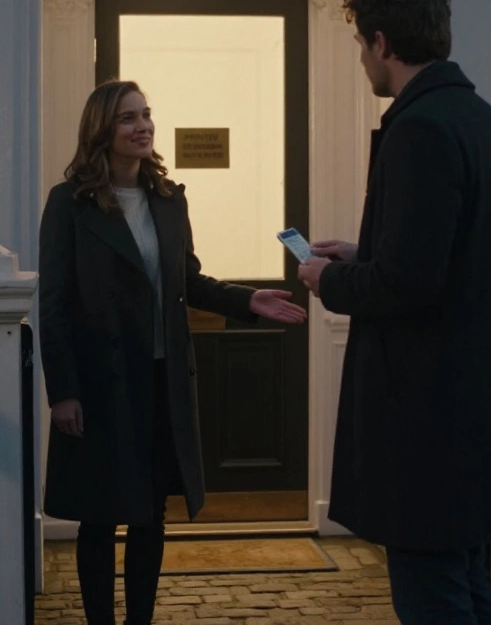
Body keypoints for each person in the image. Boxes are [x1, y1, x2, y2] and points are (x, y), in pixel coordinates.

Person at [296, 0, 491, 625]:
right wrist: (362, 253)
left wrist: (328, 280)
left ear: (381, 42)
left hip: (429, 418)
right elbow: (450, 261)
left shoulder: (420, 130)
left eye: (361, 45)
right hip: (476, 407)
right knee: (470, 586)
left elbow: (410, 284)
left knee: (434, 598)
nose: (363, 59)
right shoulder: (489, 126)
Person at [38, 80, 307, 625]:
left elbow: (188, 281)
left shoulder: (168, 199)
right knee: (99, 515)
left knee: (150, 514)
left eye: (146, 115)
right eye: (127, 119)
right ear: (101, 130)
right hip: (100, 381)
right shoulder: (70, 203)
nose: (143, 127)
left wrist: (247, 299)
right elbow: (55, 301)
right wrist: (62, 390)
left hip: (162, 379)